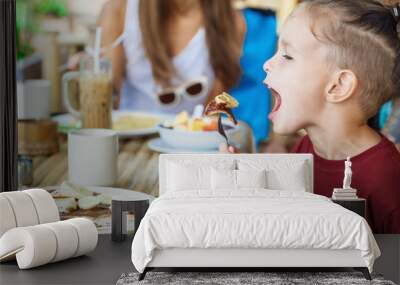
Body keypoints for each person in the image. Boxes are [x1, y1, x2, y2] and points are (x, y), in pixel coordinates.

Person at [223, 0, 400, 234]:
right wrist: (246, 177)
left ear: (338, 86)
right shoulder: (306, 147)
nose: (266, 64)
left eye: (287, 56)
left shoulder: (386, 178)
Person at [95, 0, 244, 115]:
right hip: (128, 141)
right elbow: (106, 98)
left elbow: (211, 112)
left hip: (189, 144)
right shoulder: (120, 9)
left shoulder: (232, 22)